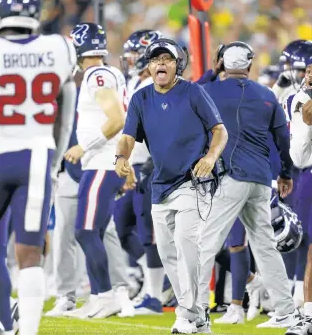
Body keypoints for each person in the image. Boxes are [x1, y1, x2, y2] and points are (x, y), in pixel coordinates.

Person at [115, 38, 228, 334]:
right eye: (155, 59)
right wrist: (120, 156)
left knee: (186, 246)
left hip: (194, 182)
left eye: (167, 58)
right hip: (160, 184)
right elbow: (128, 136)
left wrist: (210, 156)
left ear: (178, 64)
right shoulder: (141, 99)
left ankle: (186, 314)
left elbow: (219, 131)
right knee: (168, 253)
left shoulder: (193, 92)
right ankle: (198, 314)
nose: (160, 63)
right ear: (149, 66)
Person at [199, 41, 299, 331]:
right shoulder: (267, 94)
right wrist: (285, 175)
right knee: (266, 248)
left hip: (231, 177)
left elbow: (189, 92)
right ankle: (285, 311)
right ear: (250, 64)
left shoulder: (209, 91)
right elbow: (283, 140)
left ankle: (195, 312)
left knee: (205, 244)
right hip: (260, 180)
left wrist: (210, 72)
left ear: (223, 64)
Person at [0, 0, 77, 334]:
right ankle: (27, 331)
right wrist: (56, 161)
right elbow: (66, 114)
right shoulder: (59, 47)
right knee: (30, 255)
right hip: (36, 155)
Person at [46, 86, 134, 318]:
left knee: (103, 232)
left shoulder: (93, 90)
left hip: (97, 170)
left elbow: (116, 127)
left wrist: (125, 162)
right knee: (66, 234)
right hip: (70, 171)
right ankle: (68, 296)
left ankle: (117, 291)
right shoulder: (53, 96)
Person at [64, 22, 130, 319]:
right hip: (107, 163)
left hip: (102, 163)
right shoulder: (109, 72)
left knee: (86, 231)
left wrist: (83, 146)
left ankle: (105, 295)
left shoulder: (98, 75)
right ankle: (97, 297)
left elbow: (116, 119)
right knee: (94, 232)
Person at [116, 29, 165, 315]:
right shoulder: (134, 82)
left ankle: (155, 295)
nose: (130, 59)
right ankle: (154, 281)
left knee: (149, 232)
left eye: (135, 53)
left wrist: (153, 161)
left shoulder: (159, 87)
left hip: (150, 165)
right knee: (120, 225)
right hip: (132, 166)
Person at [285, 57, 312, 335]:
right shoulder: (300, 99)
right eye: (308, 70)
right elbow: (299, 154)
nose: (309, 74)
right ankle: (308, 313)